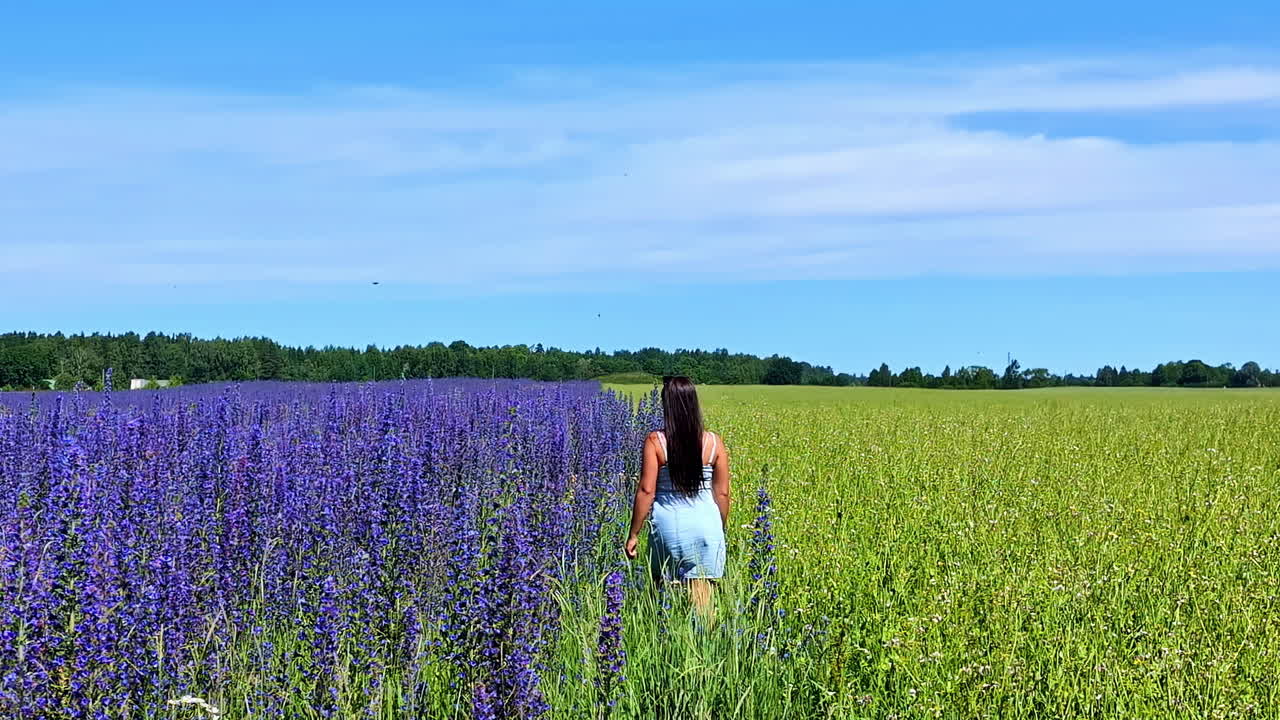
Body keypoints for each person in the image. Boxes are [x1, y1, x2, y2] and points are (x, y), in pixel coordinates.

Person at [624, 376, 731, 617]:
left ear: (666, 405)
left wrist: (634, 534)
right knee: (703, 607)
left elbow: (646, 490)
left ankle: (663, 650)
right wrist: (719, 527)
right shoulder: (714, 443)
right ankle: (703, 651)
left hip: (668, 527)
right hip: (706, 527)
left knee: (662, 602)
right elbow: (722, 493)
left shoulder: (656, 441)